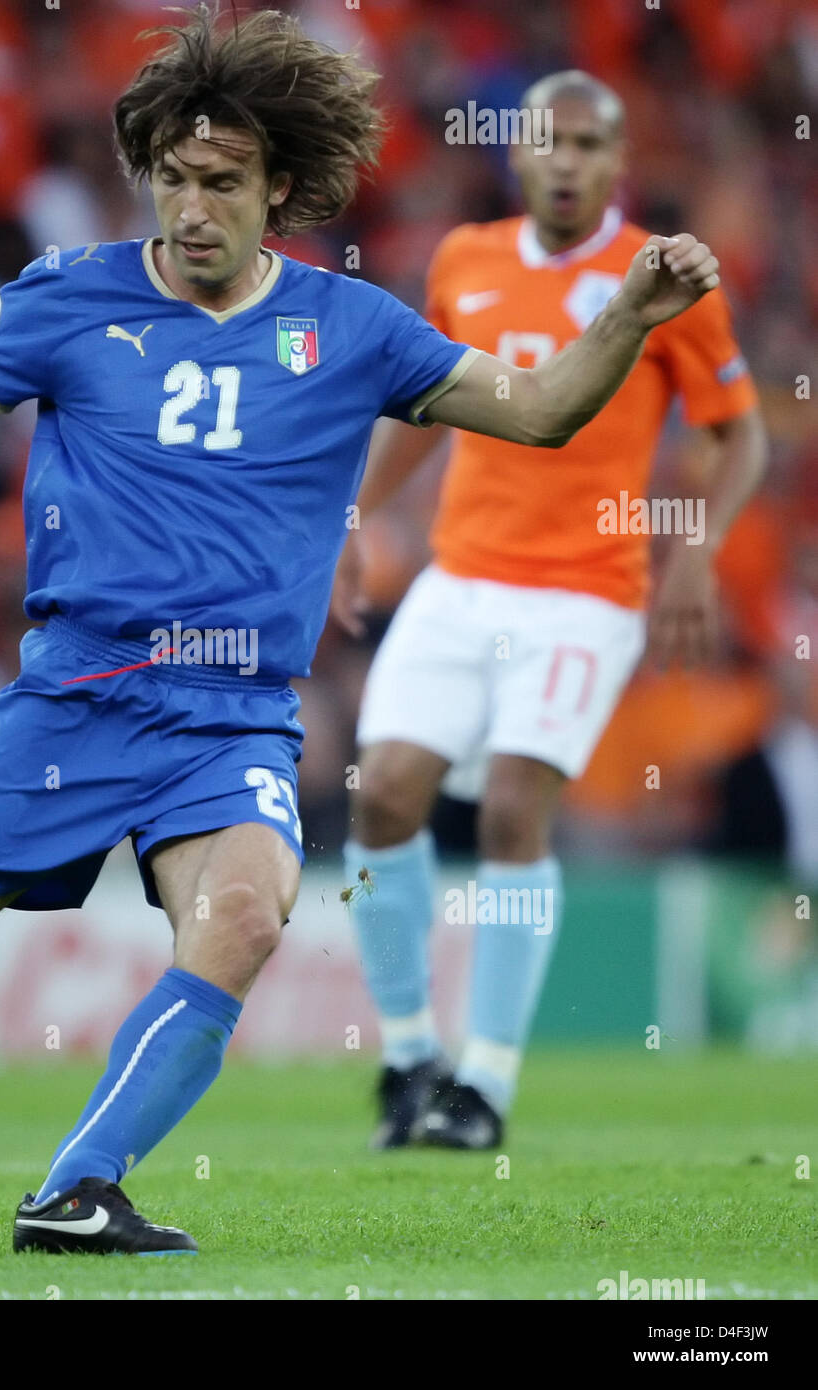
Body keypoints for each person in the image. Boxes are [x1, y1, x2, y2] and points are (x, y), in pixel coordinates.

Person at [0, 12, 726, 1253]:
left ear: (279, 190)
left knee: (246, 913)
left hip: (232, 715)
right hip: (73, 703)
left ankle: (78, 1187)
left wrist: (628, 312)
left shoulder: (351, 327)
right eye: (175, 180)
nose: (192, 209)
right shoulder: (66, 301)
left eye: (223, 184)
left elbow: (541, 408)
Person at [330, 70, 766, 1152]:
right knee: (381, 792)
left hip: (585, 591)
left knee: (517, 803)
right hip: (459, 573)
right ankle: (406, 1054)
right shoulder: (463, 260)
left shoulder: (659, 276)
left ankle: (484, 1083)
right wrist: (350, 513)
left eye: (588, 142)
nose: (566, 159)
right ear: (514, 153)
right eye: (549, 140)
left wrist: (696, 549)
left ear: (616, 162)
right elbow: (425, 407)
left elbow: (737, 430)